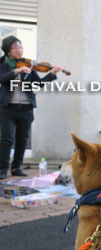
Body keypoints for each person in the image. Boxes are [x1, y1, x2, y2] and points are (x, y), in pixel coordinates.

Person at [0, 36, 61, 179]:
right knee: (7, 139)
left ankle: (16, 168)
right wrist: (16, 72)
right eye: (16, 47)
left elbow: (38, 84)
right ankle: (2, 169)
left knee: (22, 139)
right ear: (8, 51)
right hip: (7, 108)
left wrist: (52, 73)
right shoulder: (3, 65)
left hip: (26, 108)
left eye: (21, 47)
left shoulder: (29, 65)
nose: (19, 50)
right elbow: (1, 79)